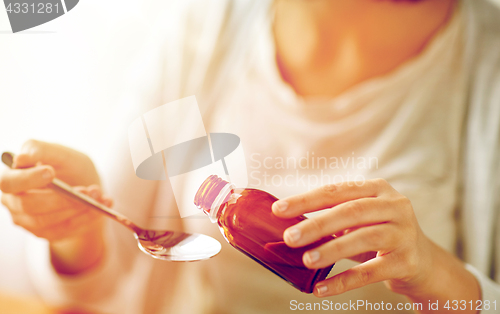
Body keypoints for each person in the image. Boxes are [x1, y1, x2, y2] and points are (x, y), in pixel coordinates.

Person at [1, 0, 500, 313]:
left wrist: (436, 275)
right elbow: (93, 288)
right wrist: (80, 229)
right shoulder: (205, 25)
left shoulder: (485, 63)